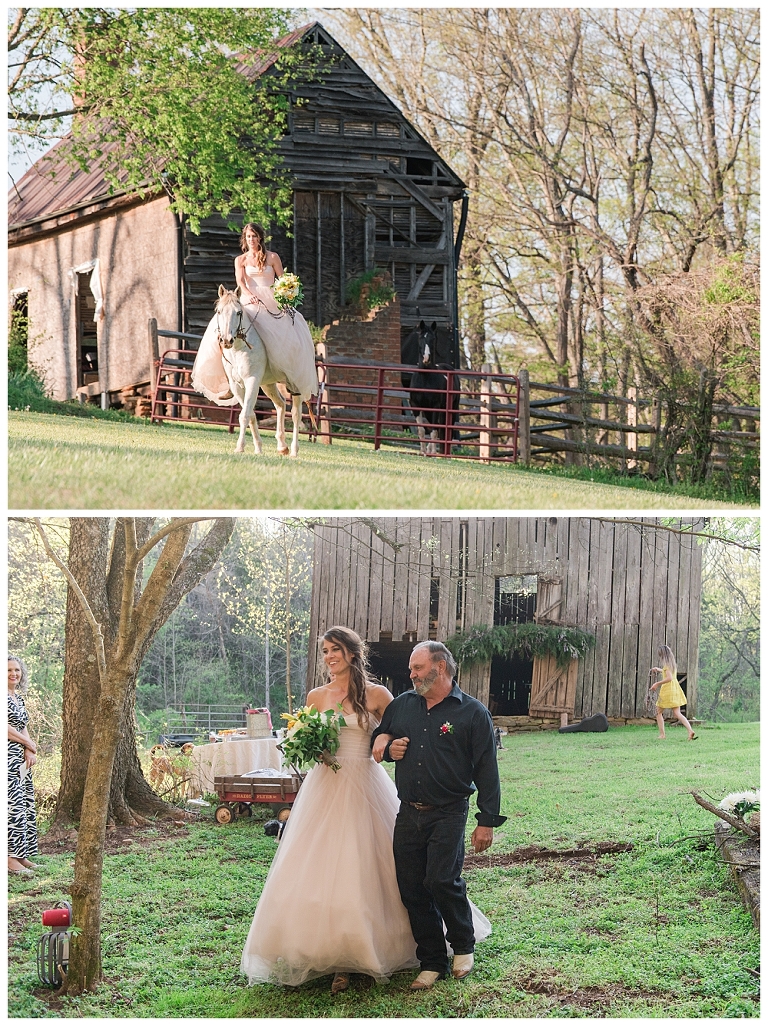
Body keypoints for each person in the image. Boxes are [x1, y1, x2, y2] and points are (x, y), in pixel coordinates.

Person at [240, 626, 417, 993]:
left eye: (335, 650)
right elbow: (305, 738)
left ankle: (370, 949)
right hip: (323, 785)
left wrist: (384, 741)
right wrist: (309, 746)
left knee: (366, 862)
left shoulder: (378, 694)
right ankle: (332, 957)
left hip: (365, 782)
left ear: (352, 653)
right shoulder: (316, 697)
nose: (329, 657)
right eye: (324, 651)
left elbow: (401, 732)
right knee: (319, 864)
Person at [371, 641, 506, 991]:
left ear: (441, 667)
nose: (411, 674)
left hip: (449, 811)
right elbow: (381, 733)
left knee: (442, 880)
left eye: (417, 668)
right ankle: (432, 961)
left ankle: (463, 946)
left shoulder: (473, 713)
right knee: (412, 888)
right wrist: (388, 746)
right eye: (412, 669)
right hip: (408, 812)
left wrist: (486, 820)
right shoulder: (403, 704)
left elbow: (487, 771)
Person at [191, 222, 318, 405]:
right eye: (248, 237)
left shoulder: (272, 257)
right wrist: (250, 296)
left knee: (286, 333)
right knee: (222, 329)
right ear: (245, 239)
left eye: (254, 236)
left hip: (271, 301)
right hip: (249, 301)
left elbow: (282, 279)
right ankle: (229, 380)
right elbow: (241, 282)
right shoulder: (240, 260)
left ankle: (289, 375)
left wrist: (287, 291)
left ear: (260, 238)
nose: (251, 240)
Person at [8, 656, 40, 877]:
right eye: (8, 670)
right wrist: (27, 743)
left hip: (19, 758)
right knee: (9, 807)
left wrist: (29, 749)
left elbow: (22, 725)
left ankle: (21, 854)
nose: (13, 674)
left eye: (17, 670)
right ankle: (8, 858)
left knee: (21, 804)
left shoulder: (17, 698)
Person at [650, 644, 697, 740]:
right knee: (677, 713)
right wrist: (658, 670)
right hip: (675, 689)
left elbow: (669, 678)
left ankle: (662, 735)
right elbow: (668, 674)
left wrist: (657, 684)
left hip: (668, 690)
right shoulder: (672, 664)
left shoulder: (667, 665)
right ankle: (690, 731)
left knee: (658, 712)